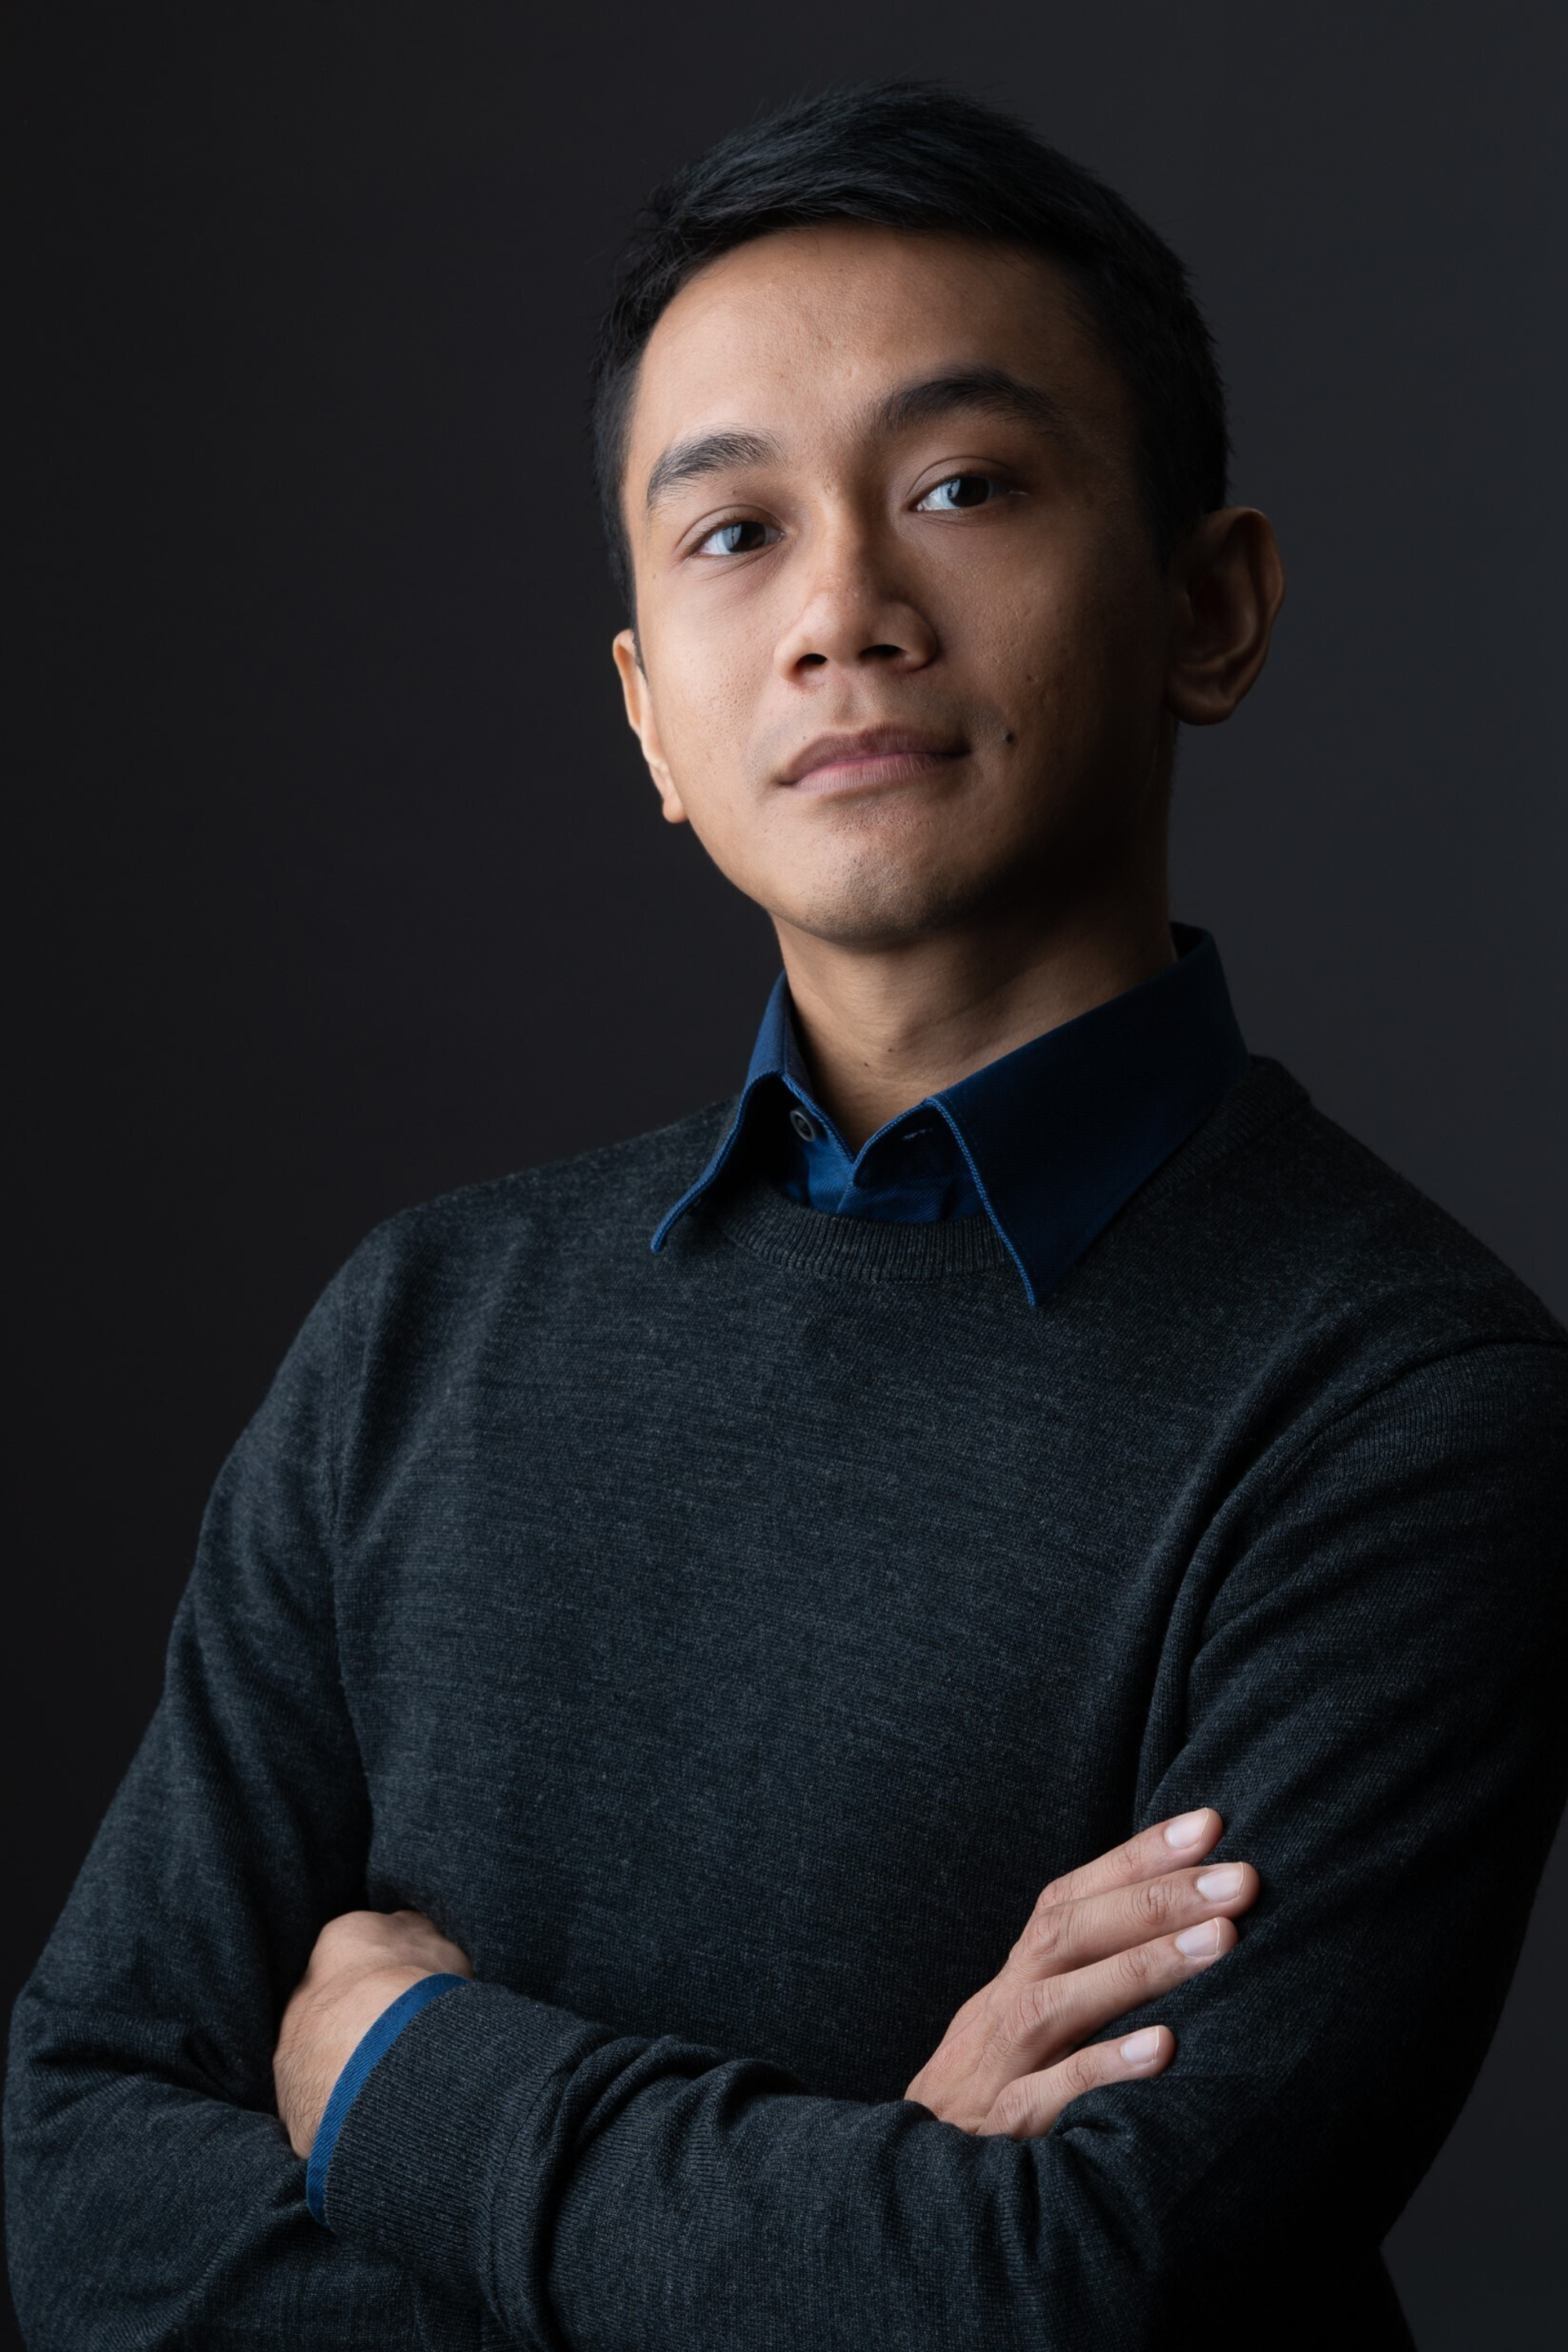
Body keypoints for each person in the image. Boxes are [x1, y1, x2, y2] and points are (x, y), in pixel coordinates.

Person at [6, 80, 1566, 2352]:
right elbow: (77, 2168)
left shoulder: (1407, 1413)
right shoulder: (417, 1333)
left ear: (1208, 608)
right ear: (650, 715)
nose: (845, 609)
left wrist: (406, 2082)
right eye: (733, 531)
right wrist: (848, 2233)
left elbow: (1081, 2287)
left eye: (962, 487)